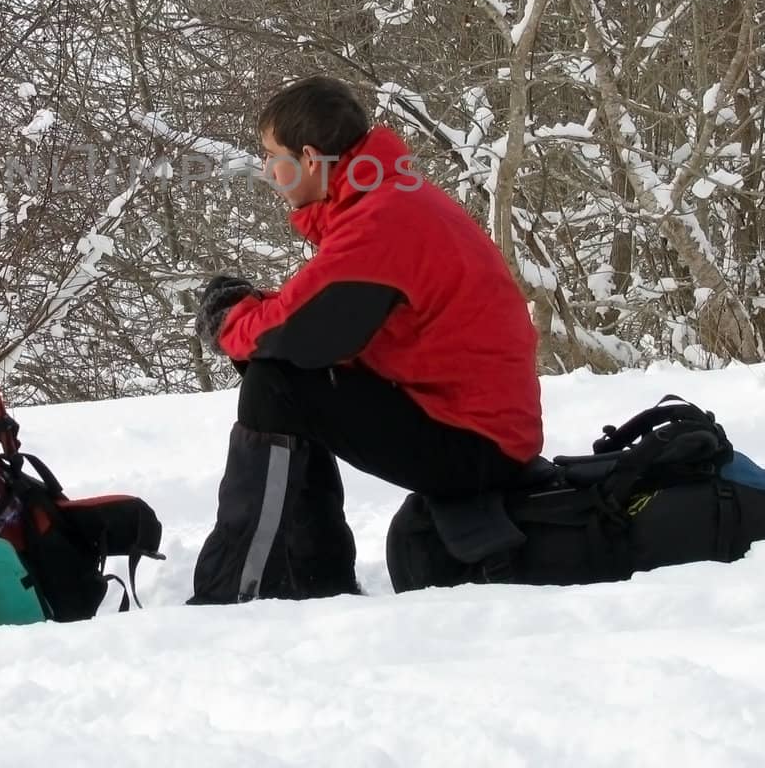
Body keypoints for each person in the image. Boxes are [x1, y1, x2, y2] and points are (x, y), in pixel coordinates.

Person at [188, 75, 543, 604]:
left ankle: (246, 587)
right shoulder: (387, 201)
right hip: (474, 427)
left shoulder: (381, 220)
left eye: (271, 154)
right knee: (286, 375)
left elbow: (296, 333)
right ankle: (308, 579)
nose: (266, 169)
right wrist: (249, 312)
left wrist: (229, 319)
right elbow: (314, 319)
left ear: (309, 158)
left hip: (477, 446)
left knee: (277, 381)